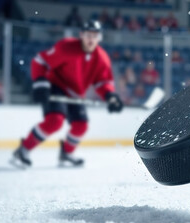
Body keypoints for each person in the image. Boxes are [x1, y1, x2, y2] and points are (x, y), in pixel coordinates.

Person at [11, 20, 123, 168]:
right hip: (56, 86)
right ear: (81, 35)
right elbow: (40, 61)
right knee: (55, 120)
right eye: (88, 35)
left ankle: (66, 154)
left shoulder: (102, 58)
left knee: (81, 125)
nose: (91, 39)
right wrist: (40, 83)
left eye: (95, 36)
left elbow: (103, 82)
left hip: (76, 93)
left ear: (100, 38)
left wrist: (110, 96)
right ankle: (23, 150)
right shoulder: (66, 47)